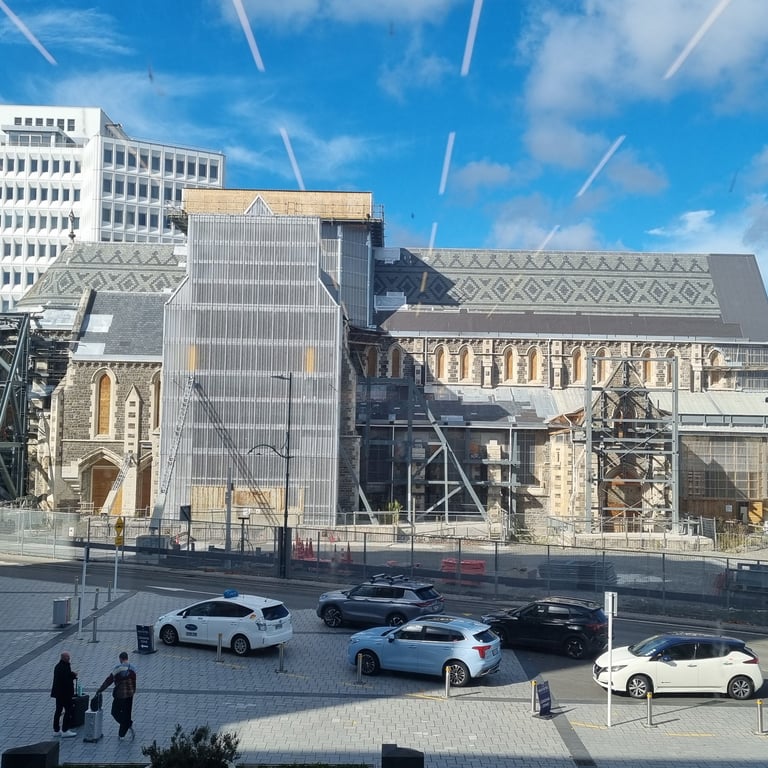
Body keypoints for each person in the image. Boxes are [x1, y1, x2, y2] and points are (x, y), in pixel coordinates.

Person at [96, 651, 136, 741]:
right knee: (127, 713)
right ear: (127, 658)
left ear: (120, 659)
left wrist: (100, 690)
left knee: (115, 712)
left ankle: (127, 724)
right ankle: (122, 734)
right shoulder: (133, 668)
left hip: (120, 694)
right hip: (130, 694)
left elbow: (109, 680)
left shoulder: (118, 668)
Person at [50, 651, 78, 737]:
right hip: (65, 694)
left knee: (58, 711)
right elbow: (66, 680)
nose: (69, 658)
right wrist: (73, 676)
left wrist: (71, 674)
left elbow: (65, 676)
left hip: (58, 694)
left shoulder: (58, 666)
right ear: (63, 658)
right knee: (68, 710)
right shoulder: (65, 667)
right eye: (67, 657)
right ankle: (65, 730)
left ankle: (56, 730)